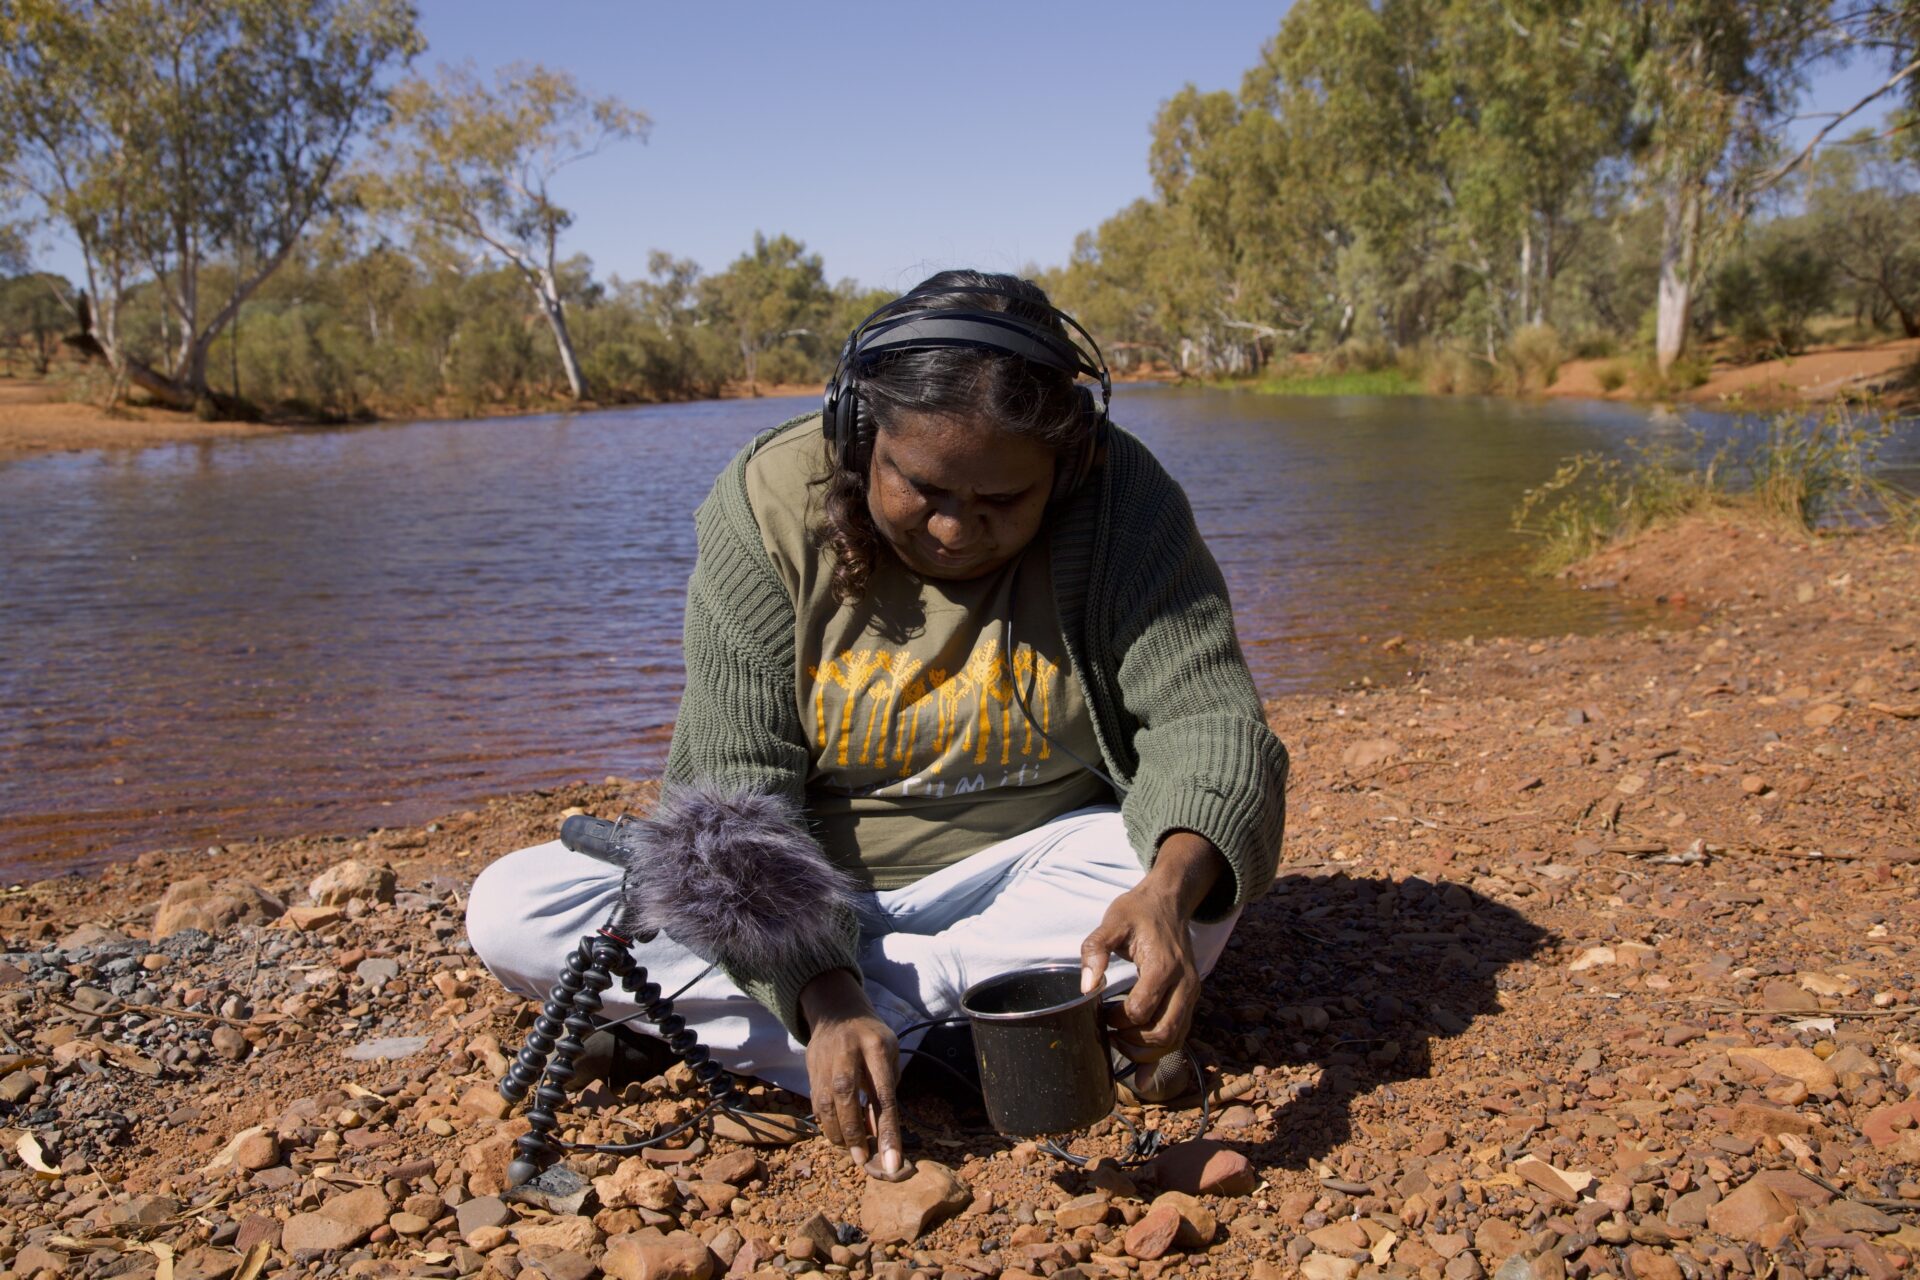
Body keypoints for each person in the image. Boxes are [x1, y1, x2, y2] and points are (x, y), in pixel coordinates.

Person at [466, 270, 1287, 1178]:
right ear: (858, 437)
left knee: (1189, 873)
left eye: (1003, 502)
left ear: (1069, 463)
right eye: (921, 486)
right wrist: (820, 987)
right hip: (808, 887)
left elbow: (1208, 721)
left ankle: (828, 1043)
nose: (953, 531)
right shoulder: (767, 508)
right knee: (517, 908)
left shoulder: (1122, 498)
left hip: (1032, 865)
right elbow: (733, 797)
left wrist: (1165, 897)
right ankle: (995, 1033)